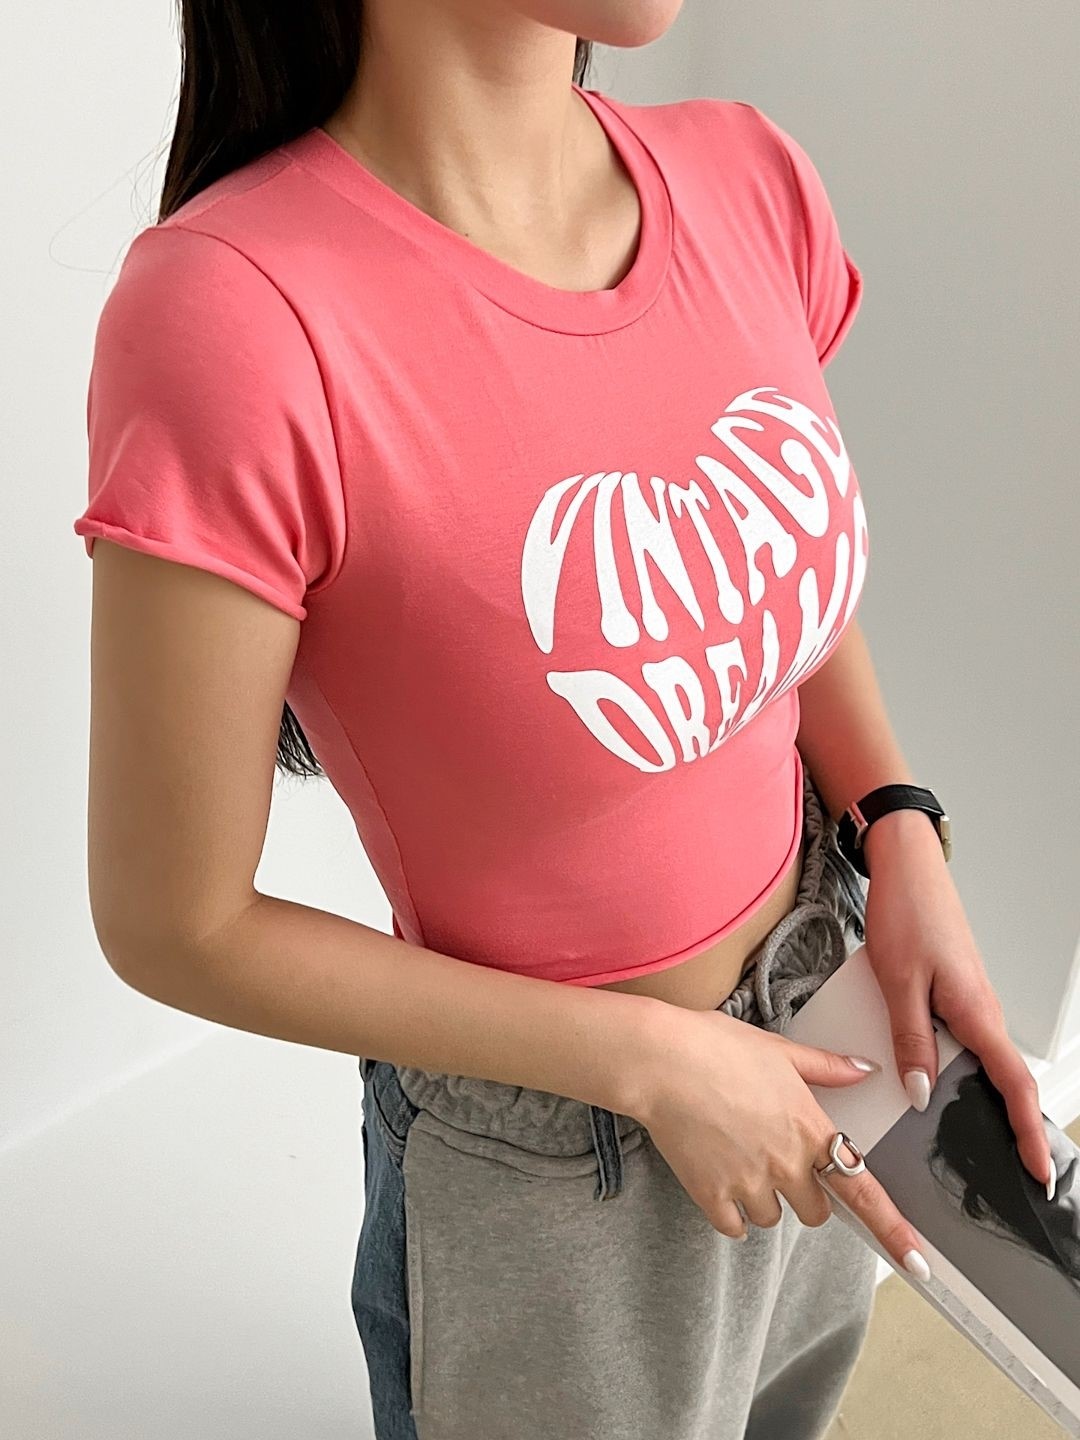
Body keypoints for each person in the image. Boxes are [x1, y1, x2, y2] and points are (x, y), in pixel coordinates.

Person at [71, 3, 1054, 1437]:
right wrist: (648, 1061)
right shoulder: (235, 313)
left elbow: (756, 570)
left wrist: (897, 826)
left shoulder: (746, 176)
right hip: (555, 1164)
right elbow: (174, 923)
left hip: (827, 1030)